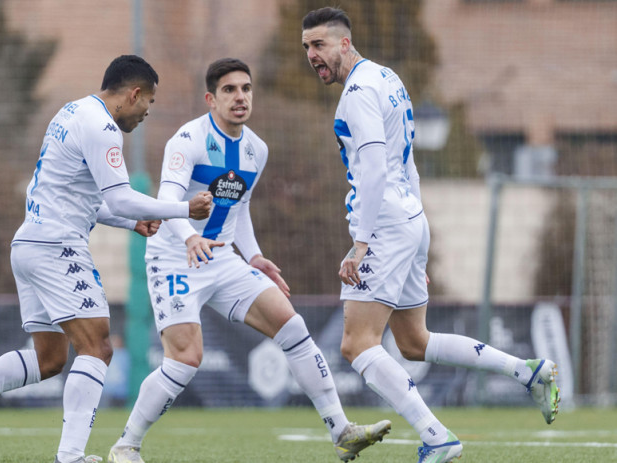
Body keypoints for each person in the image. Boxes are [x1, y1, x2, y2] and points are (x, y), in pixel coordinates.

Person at [0, 55, 213, 463]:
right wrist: (185, 210)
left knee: (50, 359)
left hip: (29, 244)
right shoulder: (103, 128)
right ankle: (72, 457)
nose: (148, 111)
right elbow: (120, 197)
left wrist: (132, 225)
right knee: (98, 347)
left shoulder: (72, 111)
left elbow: (85, 200)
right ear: (133, 94)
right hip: (56, 247)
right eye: (149, 101)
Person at [301, 7, 560, 463]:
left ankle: (437, 437)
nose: (311, 55)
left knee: (356, 343)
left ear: (345, 43)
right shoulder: (388, 78)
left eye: (319, 45)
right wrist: (419, 237)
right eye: (306, 47)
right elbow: (410, 163)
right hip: (407, 220)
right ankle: (527, 371)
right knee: (413, 342)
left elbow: (377, 166)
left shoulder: (357, 93)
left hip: (384, 225)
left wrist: (362, 243)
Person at [106, 58, 391, 463]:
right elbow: (168, 201)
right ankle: (126, 445)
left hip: (222, 259)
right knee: (186, 359)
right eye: (229, 90)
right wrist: (189, 238)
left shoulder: (257, 149)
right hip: (174, 256)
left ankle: (341, 431)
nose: (240, 97)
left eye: (246, 88)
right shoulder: (187, 139)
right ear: (211, 99)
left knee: (292, 326)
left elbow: (240, 208)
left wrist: (254, 255)